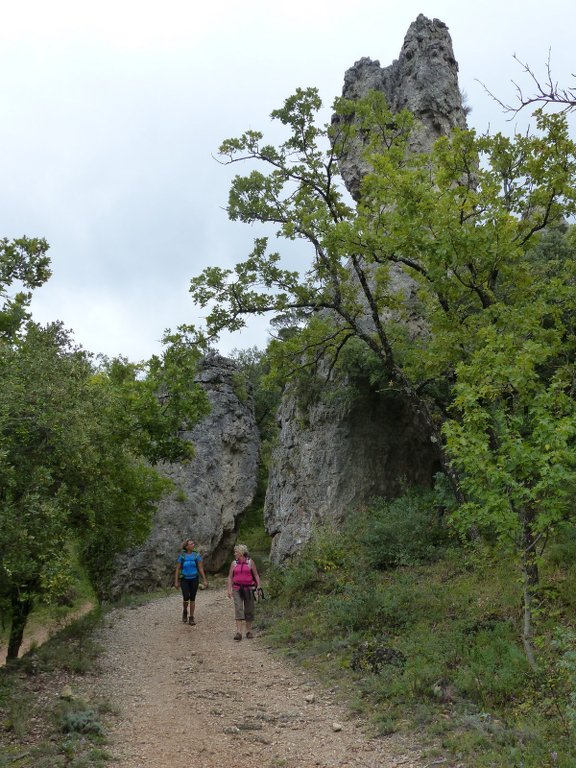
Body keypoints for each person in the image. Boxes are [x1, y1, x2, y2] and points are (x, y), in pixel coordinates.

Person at [227, 544, 261, 641]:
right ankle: (238, 632)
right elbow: (230, 577)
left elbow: (256, 575)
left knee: (249, 609)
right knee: (238, 609)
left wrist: (259, 587)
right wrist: (229, 589)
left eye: (236, 552)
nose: (234, 554)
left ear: (241, 553)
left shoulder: (250, 562)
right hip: (237, 588)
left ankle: (249, 631)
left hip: (249, 588)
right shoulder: (234, 563)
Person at [174, 538, 208, 625]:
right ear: (186, 546)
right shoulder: (182, 556)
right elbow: (177, 569)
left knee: (192, 598)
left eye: (193, 543)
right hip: (184, 579)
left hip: (194, 579)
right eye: (191, 544)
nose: (193, 545)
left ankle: (191, 617)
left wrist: (204, 579)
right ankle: (185, 610)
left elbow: (200, 568)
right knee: (186, 597)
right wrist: (176, 581)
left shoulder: (196, 555)